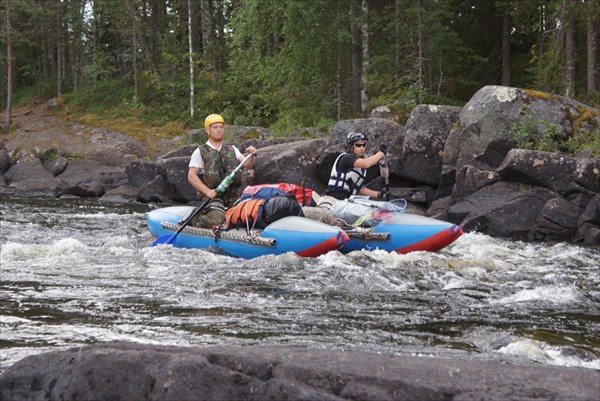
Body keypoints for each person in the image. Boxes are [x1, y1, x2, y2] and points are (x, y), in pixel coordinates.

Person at [187, 114, 257, 228]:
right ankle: (195, 218)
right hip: (213, 197)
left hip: (232, 196)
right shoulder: (200, 151)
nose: (219, 130)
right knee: (217, 220)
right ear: (207, 130)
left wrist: (252, 155)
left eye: (221, 127)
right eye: (215, 127)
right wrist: (207, 191)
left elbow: (248, 165)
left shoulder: (232, 149)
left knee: (249, 215)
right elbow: (191, 176)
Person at [323, 132, 389, 201]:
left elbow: (359, 189)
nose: (362, 148)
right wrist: (381, 152)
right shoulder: (347, 157)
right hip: (333, 195)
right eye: (358, 145)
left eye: (364, 145)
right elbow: (367, 163)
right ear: (351, 146)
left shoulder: (360, 168)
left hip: (346, 199)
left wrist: (379, 194)